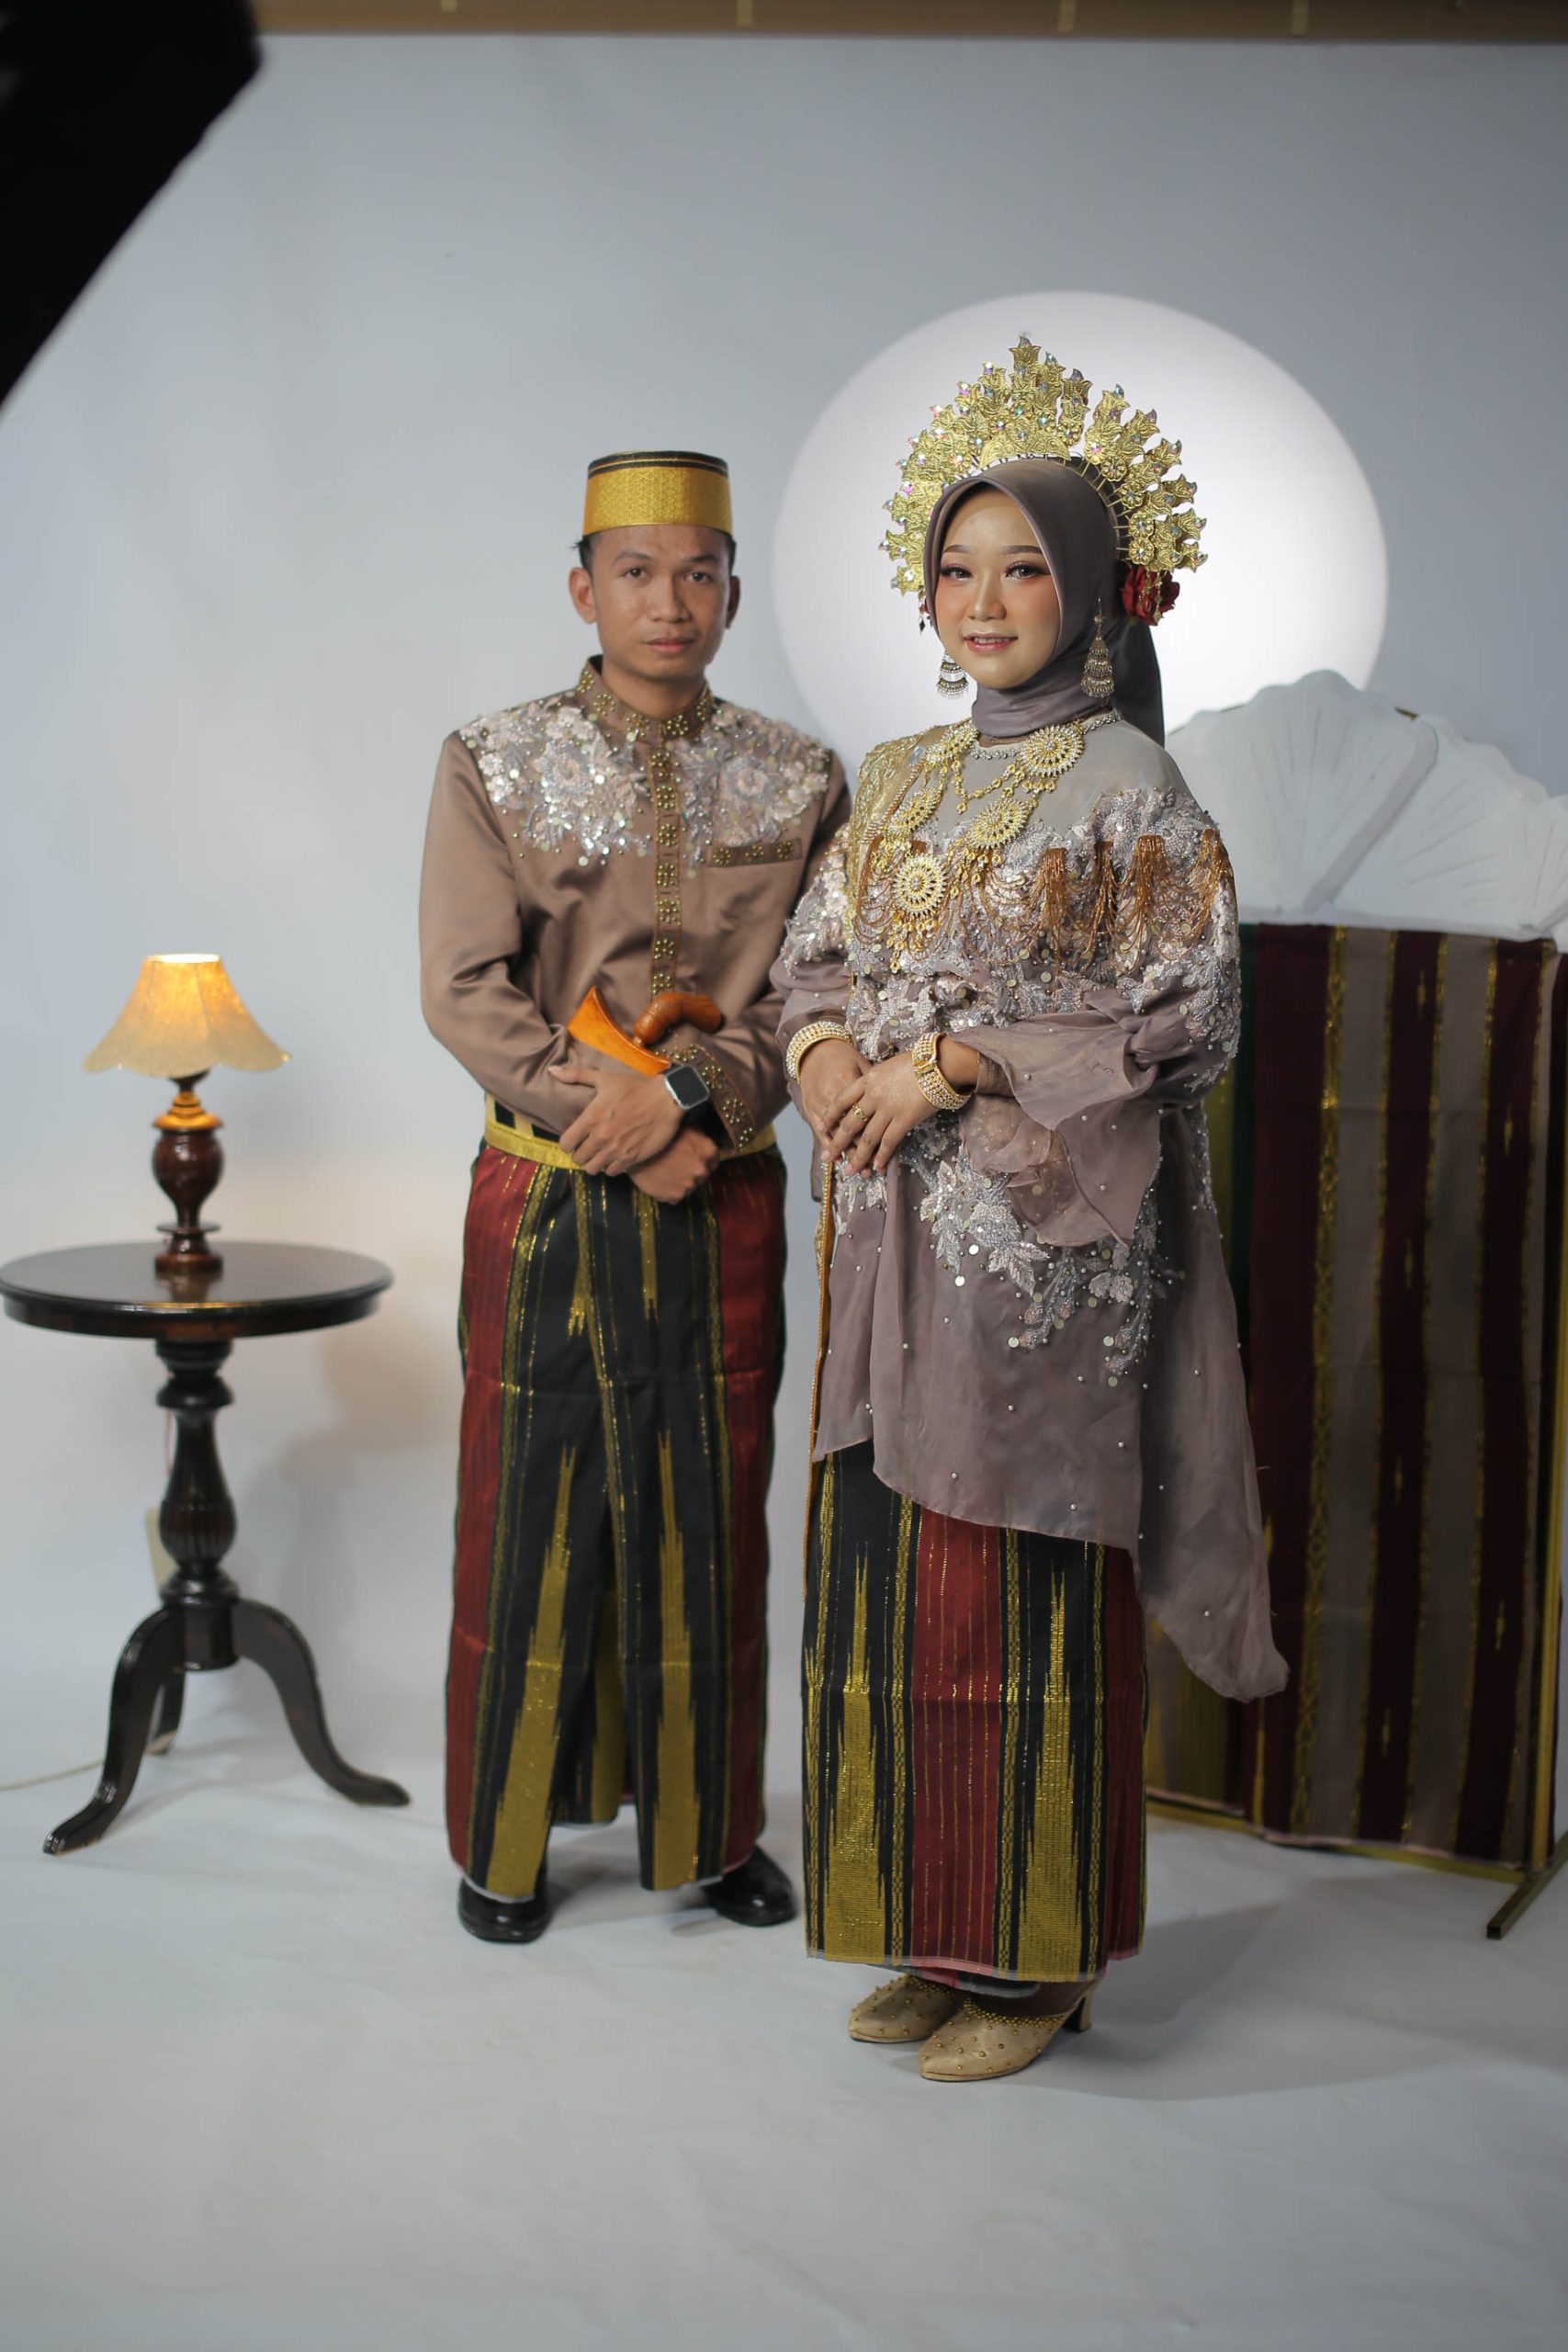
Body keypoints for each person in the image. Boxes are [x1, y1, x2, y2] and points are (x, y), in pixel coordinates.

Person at [774, 340, 1286, 2080]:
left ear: (1092, 593)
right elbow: (815, 961)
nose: (985, 602)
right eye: (958, 569)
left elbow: (1188, 1015)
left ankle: (1038, 1963)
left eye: (1023, 570)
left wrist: (957, 1064)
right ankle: (931, 1938)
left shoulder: (1133, 786)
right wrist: (827, 1055)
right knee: (892, 1581)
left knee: (1017, 1590)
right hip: (886, 1249)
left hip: (1047, 1269)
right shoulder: (897, 774)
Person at [422, 449, 848, 1944]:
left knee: (709, 1518)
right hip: (546, 1199)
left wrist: (689, 1101)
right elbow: (464, 987)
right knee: (530, 1513)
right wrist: (611, 1121)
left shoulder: (801, 775)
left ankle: (711, 1837)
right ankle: (503, 1843)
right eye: (638, 572)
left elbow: (820, 985)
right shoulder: (494, 759)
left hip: (720, 1198)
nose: (671, 602)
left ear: (732, 589)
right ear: (582, 587)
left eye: (700, 573)